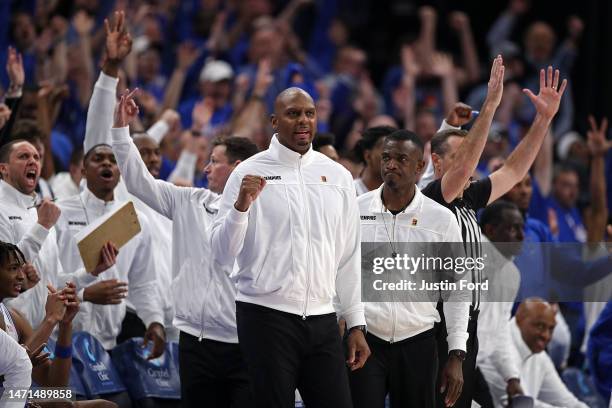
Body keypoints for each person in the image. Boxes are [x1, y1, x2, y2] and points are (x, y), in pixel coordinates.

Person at [421, 56, 567, 408]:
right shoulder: (428, 197)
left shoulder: (468, 197)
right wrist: (490, 105)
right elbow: (465, 166)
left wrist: (543, 121)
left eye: (470, 155)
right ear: (436, 163)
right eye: (461, 156)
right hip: (432, 329)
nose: (470, 163)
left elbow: (515, 170)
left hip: (465, 329)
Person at [211, 87, 370, 408]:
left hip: (323, 318)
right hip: (265, 317)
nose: (303, 121)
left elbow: (349, 255)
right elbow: (221, 253)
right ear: (274, 121)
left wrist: (355, 322)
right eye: (293, 113)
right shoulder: (247, 172)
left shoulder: (337, 176)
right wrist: (241, 208)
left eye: (309, 113)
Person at [111, 90, 259, 407]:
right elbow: (138, 181)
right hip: (194, 341)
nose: (205, 168)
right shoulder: (188, 200)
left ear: (237, 168)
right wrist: (121, 132)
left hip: (245, 345)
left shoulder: (267, 216)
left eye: (214, 162)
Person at [353, 129, 469, 408]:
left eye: (401, 159)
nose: (391, 164)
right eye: (386, 158)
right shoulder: (355, 209)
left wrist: (456, 352)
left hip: (418, 341)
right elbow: (339, 271)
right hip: (366, 339)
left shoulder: (441, 219)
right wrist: (349, 324)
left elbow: (457, 289)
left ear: (420, 167)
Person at [54, 142, 166, 353]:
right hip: (61, 337)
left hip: (109, 343)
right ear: (83, 171)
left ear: (120, 172)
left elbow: (144, 283)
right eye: (98, 159)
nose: (107, 162)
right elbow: (45, 280)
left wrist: (154, 320)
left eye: (113, 160)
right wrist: (83, 294)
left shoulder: (134, 221)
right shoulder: (59, 212)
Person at [481, 299, 589, 408]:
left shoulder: (539, 354)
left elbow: (567, 402)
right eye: (540, 326)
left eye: (551, 329)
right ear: (519, 320)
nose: (546, 335)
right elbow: (521, 405)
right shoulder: (499, 353)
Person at [477, 201, 525, 407]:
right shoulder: (467, 257)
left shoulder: (512, 274)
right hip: (441, 361)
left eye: (522, 228)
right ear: (490, 230)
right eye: (513, 229)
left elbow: (499, 331)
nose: (522, 236)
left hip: (473, 364)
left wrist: (511, 377)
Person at [353, 126, 396, 195]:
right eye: (387, 154)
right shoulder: (350, 191)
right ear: (368, 156)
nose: (394, 163)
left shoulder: (405, 196)